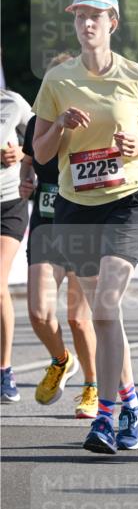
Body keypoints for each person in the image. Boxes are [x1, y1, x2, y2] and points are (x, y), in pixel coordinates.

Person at [32, 0, 138, 454]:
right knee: (102, 316)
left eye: (96, 16)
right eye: (80, 17)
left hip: (126, 201)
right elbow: (41, 152)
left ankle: (106, 418)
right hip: (75, 207)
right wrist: (57, 127)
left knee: (107, 306)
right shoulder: (57, 81)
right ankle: (132, 399)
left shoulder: (136, 75)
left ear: (113, 23)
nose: (87, 23)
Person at [20, 111, 98, 418]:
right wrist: (27, 181)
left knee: (79, 320)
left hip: (83, 229)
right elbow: (29, 161)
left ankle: (92, 386)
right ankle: (62, 359)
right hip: (46, 230)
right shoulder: (38, 122)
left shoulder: (94, 120)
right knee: (39, 313)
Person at [1, 87, 31, 403]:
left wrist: (21, 152)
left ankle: (4, 370)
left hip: (9, 204)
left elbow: (45, 138)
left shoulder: (12, 101)